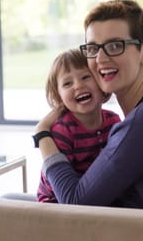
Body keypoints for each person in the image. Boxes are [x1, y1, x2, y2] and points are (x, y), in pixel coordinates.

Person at [33, 0, 143, 210]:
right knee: (8, 197)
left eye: (115, 46)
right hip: (120, 221)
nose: (101, 59)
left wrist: (42, 135)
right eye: (93, 48)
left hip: (125, 229)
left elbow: (75, 203)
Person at [37, 49, 121, 203]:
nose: (78, 85)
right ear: (59, 96)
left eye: (85, 77)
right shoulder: (63, 130)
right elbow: (63, 192)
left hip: (96, 196)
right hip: (55, 204)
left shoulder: (113, 121)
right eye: (67, 83)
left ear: (101, 82)